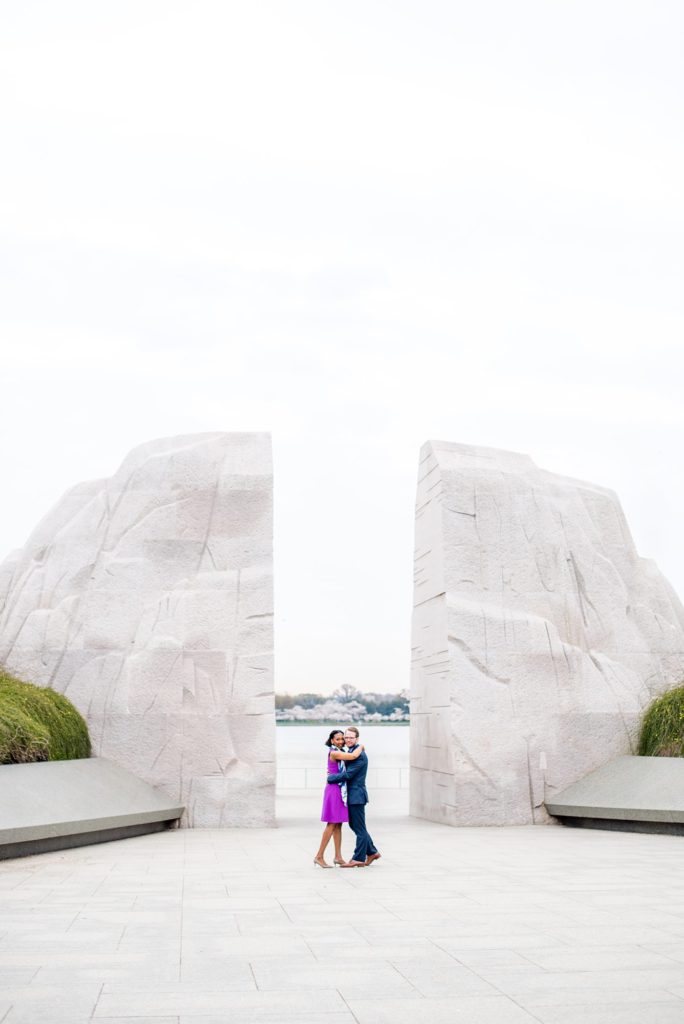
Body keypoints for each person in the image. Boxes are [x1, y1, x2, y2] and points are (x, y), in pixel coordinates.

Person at [327, 726, 380, 868]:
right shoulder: (351, 751)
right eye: (346, 737)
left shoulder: (360, 755)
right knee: (356, 826)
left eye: (351, 737)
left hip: (356, 795)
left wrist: (331, 778)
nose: (348, 739)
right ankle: (372, 852)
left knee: (358, 827)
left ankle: (359, 858)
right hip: (352, 795)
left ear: (357, 738)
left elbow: (349, 775)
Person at [314, 729, 365, 868]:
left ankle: (338, 856)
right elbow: (354, 756)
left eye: (342, 739)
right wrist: (361, 746)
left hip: (340, 789)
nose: (341, 741)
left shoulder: (340, 752)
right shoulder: (334, 752)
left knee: (338, 824)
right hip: (334, 790)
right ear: (332, 741)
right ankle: (319, 856)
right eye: (338, 739)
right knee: (331, 824)